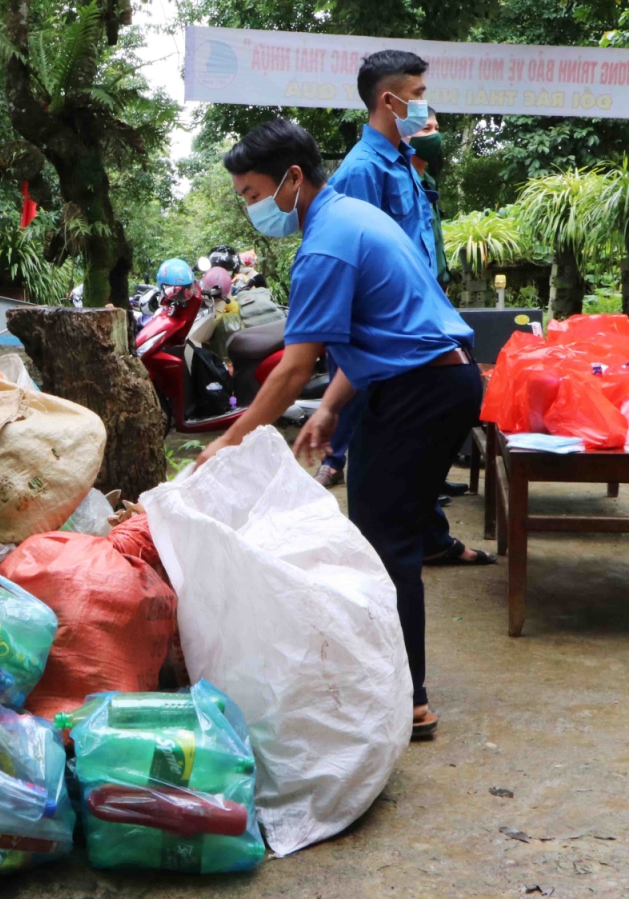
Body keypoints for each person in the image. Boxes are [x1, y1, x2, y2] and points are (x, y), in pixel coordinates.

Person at [195, 118, 482, 737]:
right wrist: (330, 408)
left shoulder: (325, 244)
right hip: (430, 380)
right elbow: (379, 329)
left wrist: (227, 440)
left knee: (386, 544)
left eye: (251, 194)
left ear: (292, 178)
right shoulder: (351, 216)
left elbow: (295, 368)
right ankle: (395, 684)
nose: (251, 209)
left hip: (421, 390)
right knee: (383, 532)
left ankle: (409, 700)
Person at [313, 52, 492, 567]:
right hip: (388, 348)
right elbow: (357, 278)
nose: (424, 104)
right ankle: (404, 550)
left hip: (419, 335)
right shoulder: (362, 172)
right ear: (388, 101)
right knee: (384, 477)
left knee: (416, 459)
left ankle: (428, 539)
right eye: (416, 95)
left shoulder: (401, 161)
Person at [409, 108, 450, 289]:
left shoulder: (429, 181)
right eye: (426, 129)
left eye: (437, 128)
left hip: (436, 286)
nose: (434, 136)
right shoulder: (401, 181)